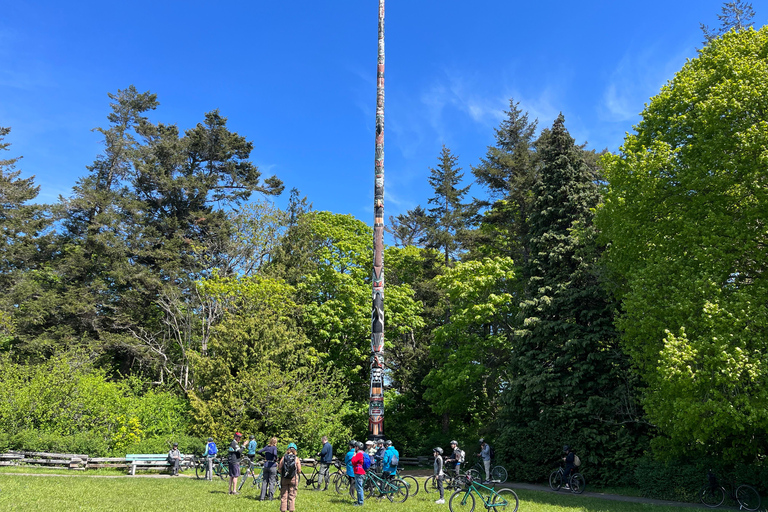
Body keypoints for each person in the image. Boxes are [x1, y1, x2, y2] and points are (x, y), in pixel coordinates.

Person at [278, 442, 302, 512]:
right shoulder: (296, 458)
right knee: (292, 495)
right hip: (293, 479)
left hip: (284, 478)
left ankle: (283, 510)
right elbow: (299, 470)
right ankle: (291, 510)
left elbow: (279, 468)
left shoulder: (284, 458)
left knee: (284, 496)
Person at [350, 441, 366, 506]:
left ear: (358, 447)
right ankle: (359, 501)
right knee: (359, 487)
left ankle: (360, 502)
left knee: (359, 488)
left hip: (359, 472)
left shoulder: (359, 454)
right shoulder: (362, 453)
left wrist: (354, 456)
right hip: (360, 471)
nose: (354, 448)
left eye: (355, 447)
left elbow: (353, 461)